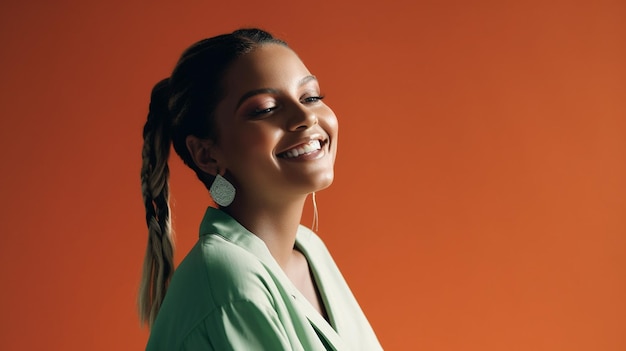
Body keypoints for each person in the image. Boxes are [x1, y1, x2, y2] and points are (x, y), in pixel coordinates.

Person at [139, 28, 383, 350]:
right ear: (207, 154)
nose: (306, 116)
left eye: (311, 97)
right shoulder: (229, 283)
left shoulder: (310, 250)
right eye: (266, 109)